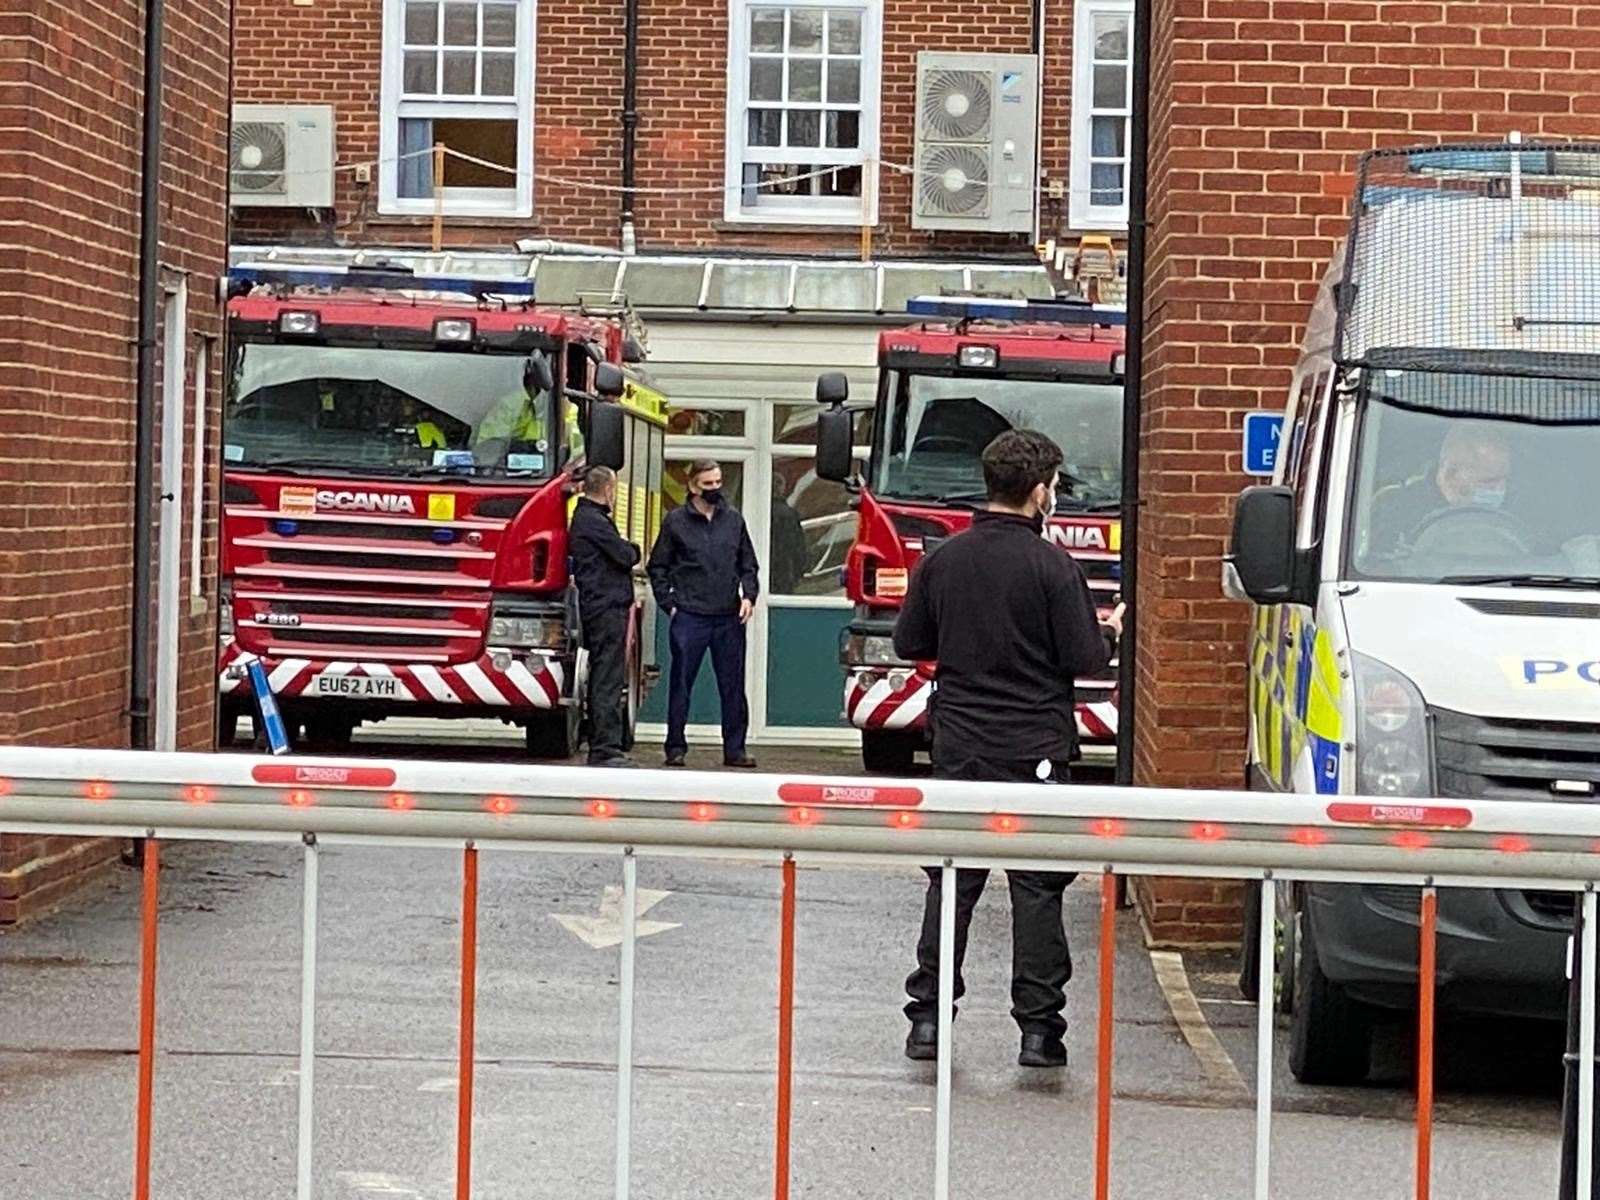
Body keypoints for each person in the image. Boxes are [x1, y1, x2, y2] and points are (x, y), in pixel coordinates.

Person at [893, 429, 1122, 1070]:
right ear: (1041, 491)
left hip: (960, 744)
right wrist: (1107, 631)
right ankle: (1039, 1032)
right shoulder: (1055, 567)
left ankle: (930, 1022)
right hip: (1035, 749)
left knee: (951, 879)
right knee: (1037, 887)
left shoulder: (943, 561)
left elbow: (912, 642)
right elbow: (1083, 660)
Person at [646, 459, 760, 769]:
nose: (714, 489)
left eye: (718, 483)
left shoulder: (733, 520)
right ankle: (675, 747)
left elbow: (747, 563)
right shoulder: (675, 522)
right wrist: (669, 604)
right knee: (682, 682)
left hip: (727, 615)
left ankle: (735, 749)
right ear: (692, 484)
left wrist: (749, 595)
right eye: (708, 484)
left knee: (733, 685)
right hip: (690, 614)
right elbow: (658, 566)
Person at [569, 466, 641, 766]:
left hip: (600, 604)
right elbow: (625, 555)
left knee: (606, 675)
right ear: (608, 490)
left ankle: (604, 743)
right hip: (604, 606)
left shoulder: (587, 519)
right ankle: (605, 748)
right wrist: (633, 549)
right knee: (607, 677)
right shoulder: (592, 521)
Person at [1369, 423, 1511, 553]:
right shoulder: (1393, 507)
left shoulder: (1513, 509)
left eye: (1504, 479)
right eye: (1488, 482)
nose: (1499, 489)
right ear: (1451, 473)